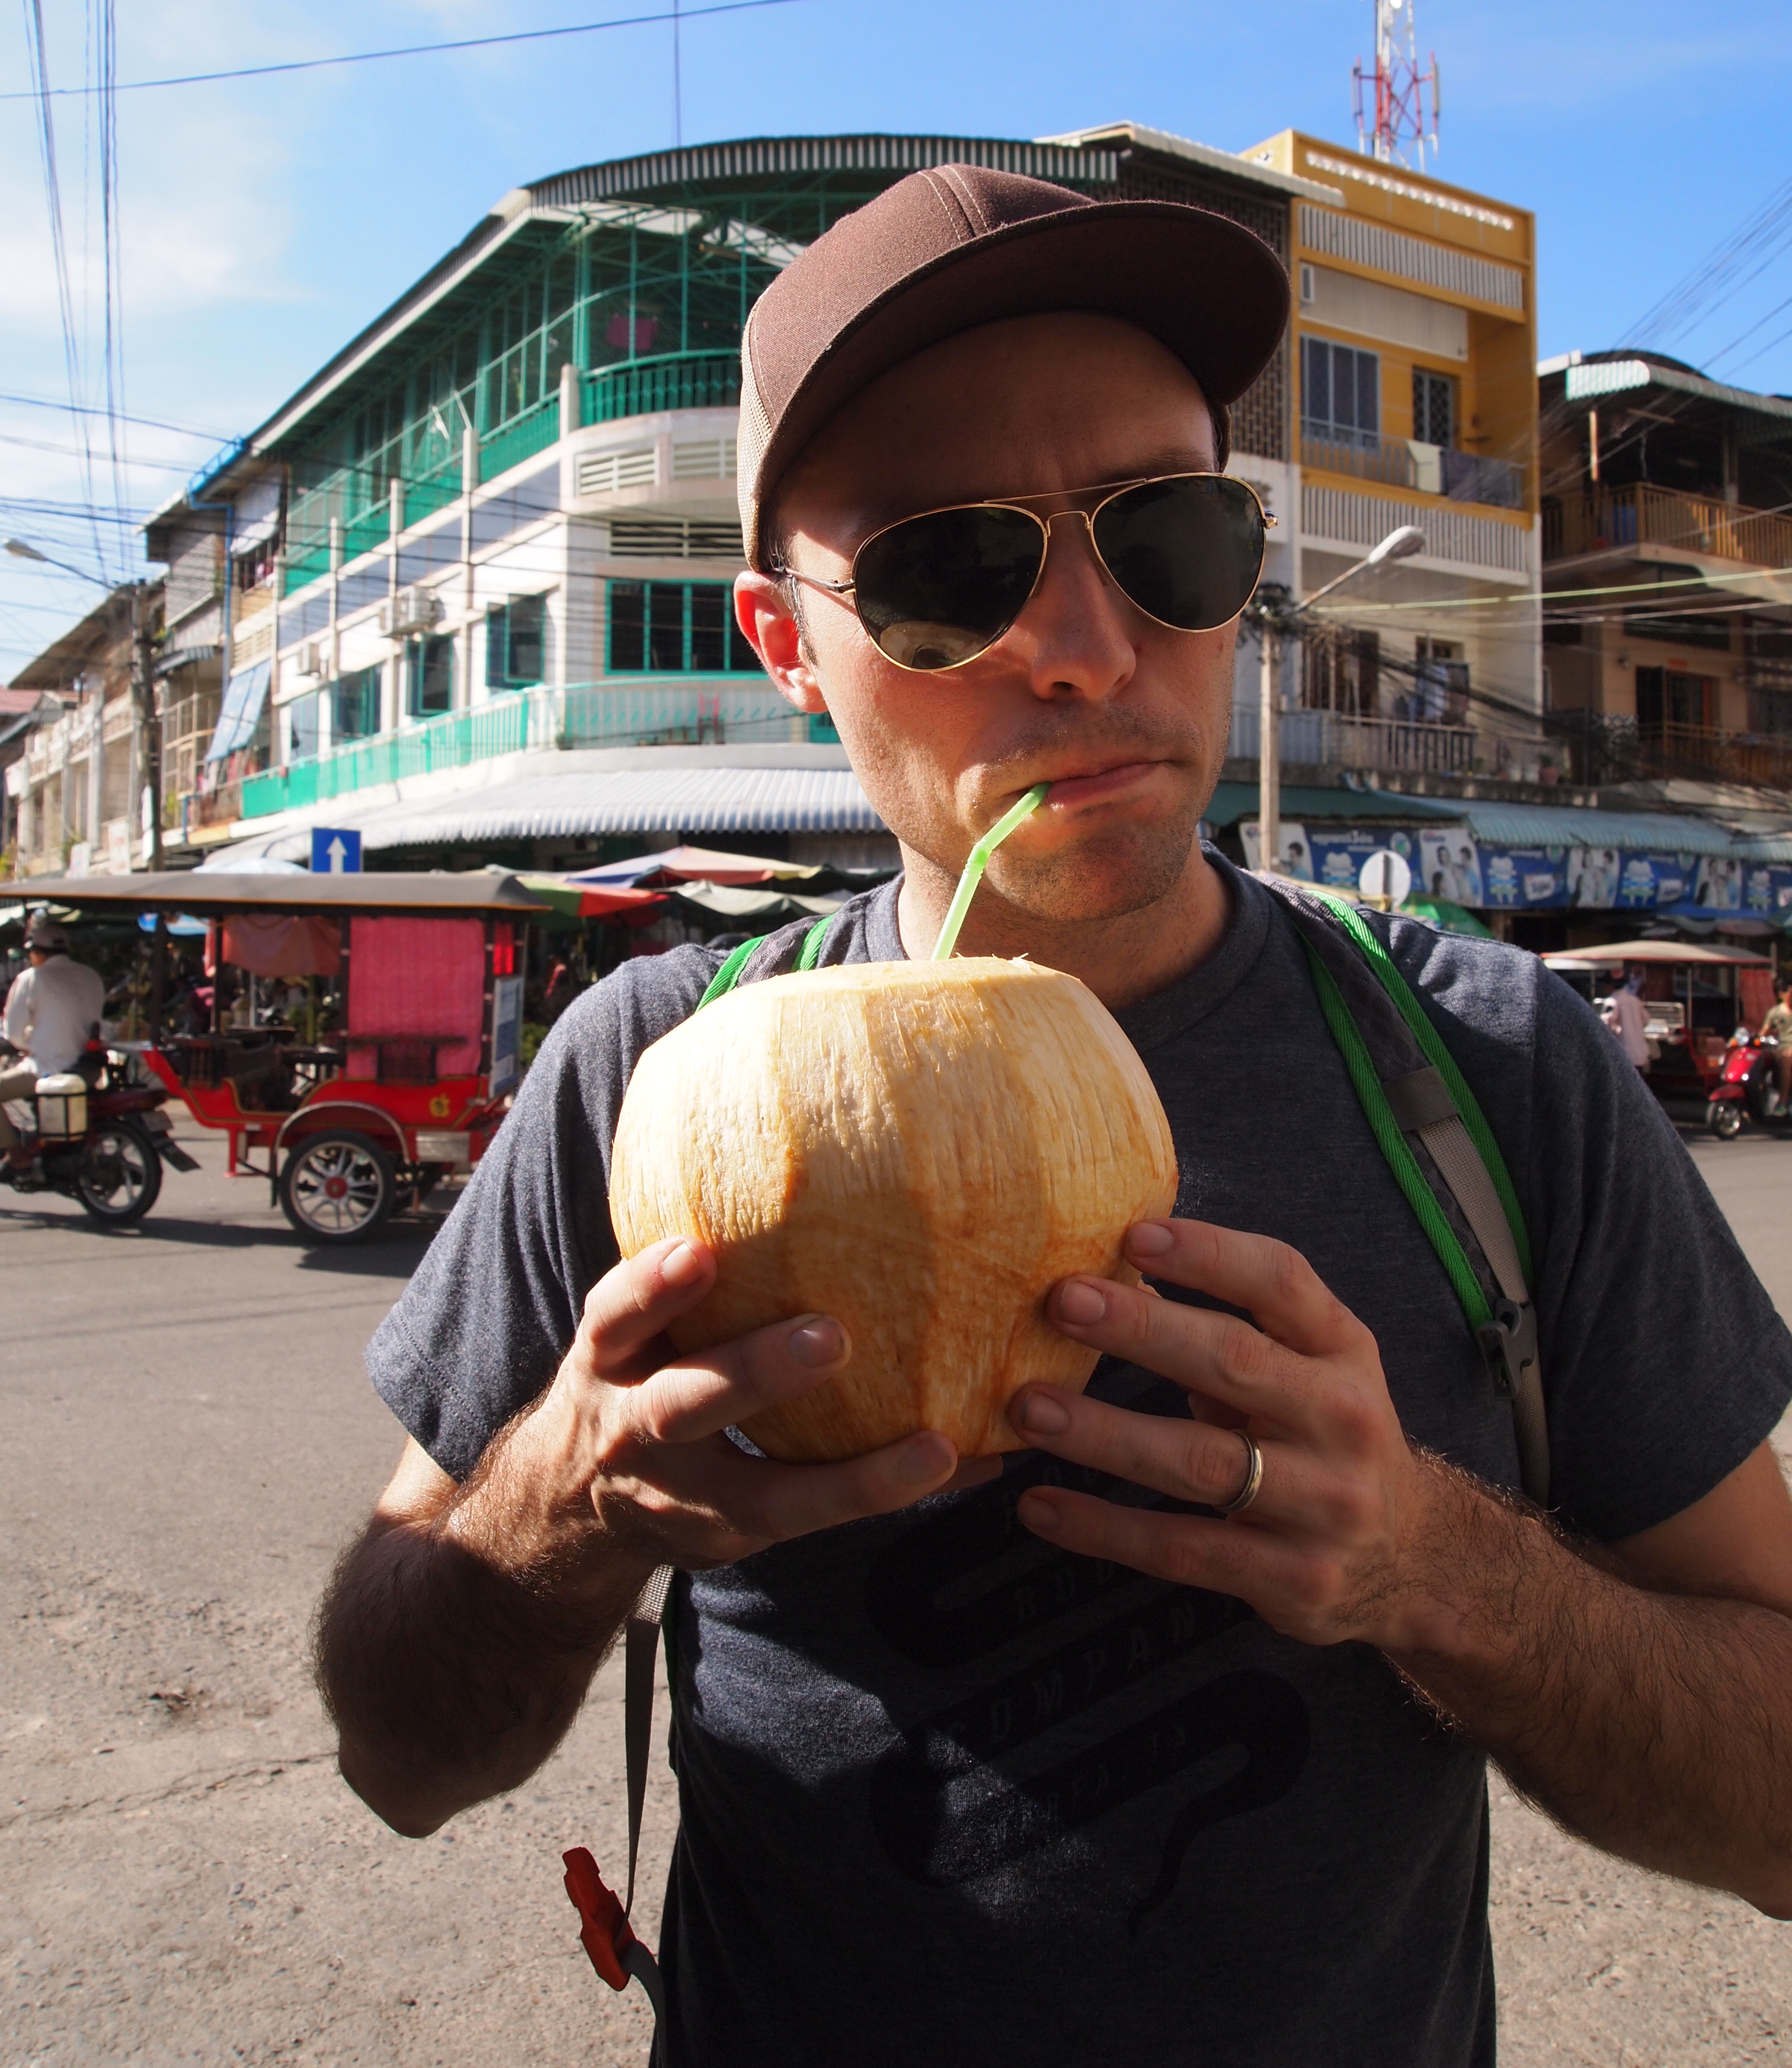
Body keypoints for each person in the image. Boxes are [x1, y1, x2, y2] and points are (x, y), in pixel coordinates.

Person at [315, 167, 1792, 2068]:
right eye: (950, 571)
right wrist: (559, 1513)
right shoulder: (651, 1071)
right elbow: (399, 1756)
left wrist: (1440, 1567)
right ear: (784, 642)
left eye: (1169, 535)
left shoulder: (1488, 1064)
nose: (1089, 644)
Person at [1, 914, 105, 1182]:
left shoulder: (31, 978)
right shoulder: (90, 975)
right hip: (88, 1069)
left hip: (50, 1069)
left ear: (37, 952)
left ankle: (17, 1155)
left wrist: (26, 1045)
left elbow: (13, 1033)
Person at [1599, 966, 1655, 1073]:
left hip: (1624, 1054)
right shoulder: (1635, 1000)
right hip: (1640, 1055)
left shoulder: (1612, 1000)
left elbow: (1605, 1023)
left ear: (1610, 985)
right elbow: (1646, 1019)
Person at [1760, 976, 1792, 1115]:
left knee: (1786, 1060)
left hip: (1790, 1050)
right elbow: (1764, 1032)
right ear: (1781, 994)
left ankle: (1782, 1103)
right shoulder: (1775, 1013)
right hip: (1779, 1048)